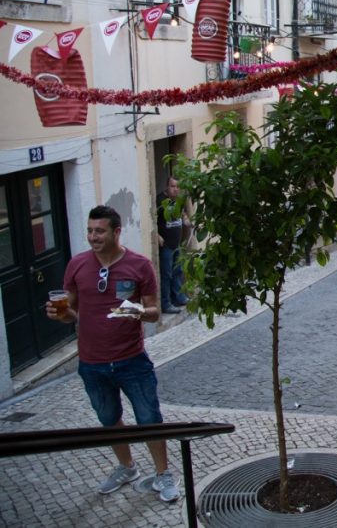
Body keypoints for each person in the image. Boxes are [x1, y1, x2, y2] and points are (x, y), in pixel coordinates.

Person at [45, 205, 180, 502]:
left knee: (149, 418)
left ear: (116, 232)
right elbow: (73, 314)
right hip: (92, 363)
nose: (93, 237)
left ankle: (163, 474)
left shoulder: (140, 265)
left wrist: (137, 312)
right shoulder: (77, 265)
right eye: (90, 230)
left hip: (132, 361)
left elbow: (155, 312)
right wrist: (61, 315)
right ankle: (126, 466)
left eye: (100, 231)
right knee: (109, 419)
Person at [155, 177, 187, 315]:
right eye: (173, 186)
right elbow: (152, 218)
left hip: (177, 244)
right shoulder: (160, 200)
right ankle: (166, 303)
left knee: (178, 271)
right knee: (166, 274)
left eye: (178, 187)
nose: (176, 189)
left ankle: (179, 298)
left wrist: (188, 221)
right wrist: (157, 236)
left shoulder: (179, 200)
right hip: (166, 245)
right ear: (167, 186)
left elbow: (183, 214)